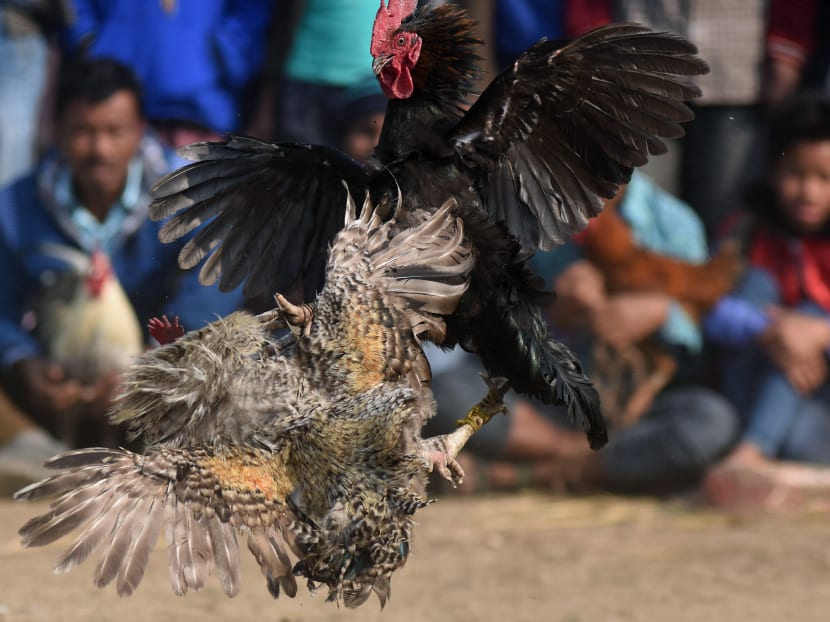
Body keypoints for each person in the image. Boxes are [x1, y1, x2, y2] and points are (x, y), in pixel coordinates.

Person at [426, 172, 741, 496]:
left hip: (640, 408)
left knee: (710, 421)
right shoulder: (524, 220)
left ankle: (523, 475)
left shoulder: (674, 223)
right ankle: (586, 460)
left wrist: (662, 313)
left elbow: (703, 332)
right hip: (549, 404)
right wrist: (557, 317)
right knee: (445, 396)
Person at [0, 57, 243, 455]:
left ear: (140, 131)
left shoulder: (191, 196)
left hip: (160, 374)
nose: (100, 149)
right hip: (56, 384)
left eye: (115, 131)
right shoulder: (14, 208)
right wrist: (22, 362)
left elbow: (216, 283)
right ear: (56, 130)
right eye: (83, 132)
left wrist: (151, 362)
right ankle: (29, 451)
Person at [702, 93, 830, 511]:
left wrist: (817, 331)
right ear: (772, 170)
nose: (808, 192)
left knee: (811, 315)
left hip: (819, 395)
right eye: (795, 173)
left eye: (824, 178)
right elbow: (705, 308)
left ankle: (752, 453)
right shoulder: (746, 233)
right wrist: (771, 329)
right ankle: (761, 453)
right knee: (755, 285)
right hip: (757, 387)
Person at [62, 0, 274, 148]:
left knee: (197, 206)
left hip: (202, 114)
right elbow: (76, 9)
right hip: (112, 107)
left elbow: (251, 13)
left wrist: (222, 52)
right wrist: (88, 42)